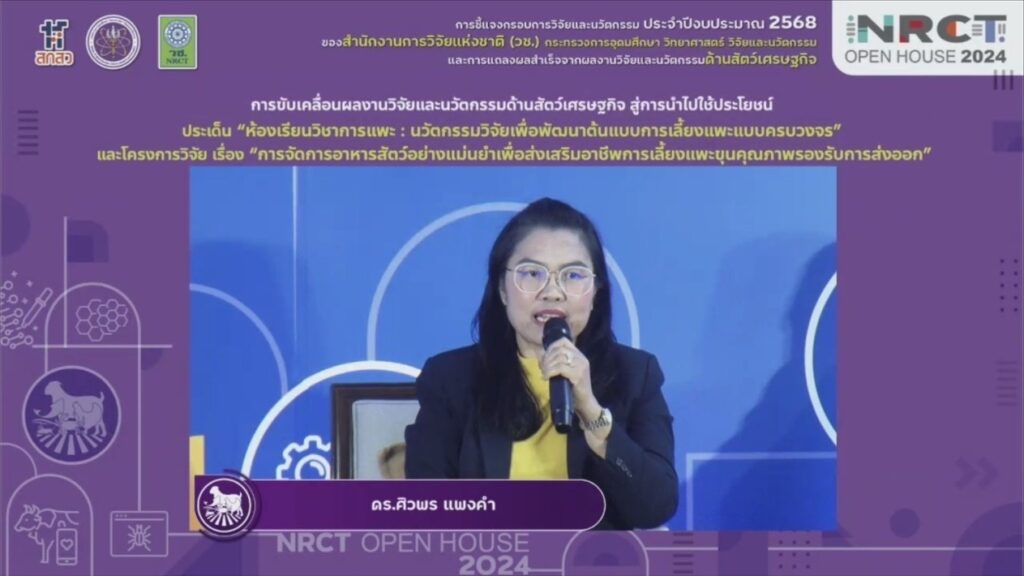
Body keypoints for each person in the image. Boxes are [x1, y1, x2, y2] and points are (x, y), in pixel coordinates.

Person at [404, 198, 677, 529]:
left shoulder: (636, 375)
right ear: (502, 290)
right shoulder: (451, 379)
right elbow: (427, 507)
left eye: (573, 275)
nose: (552, 292)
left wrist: (591, 411)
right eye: (532, 273)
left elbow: (655, 508)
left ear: (595, 292)